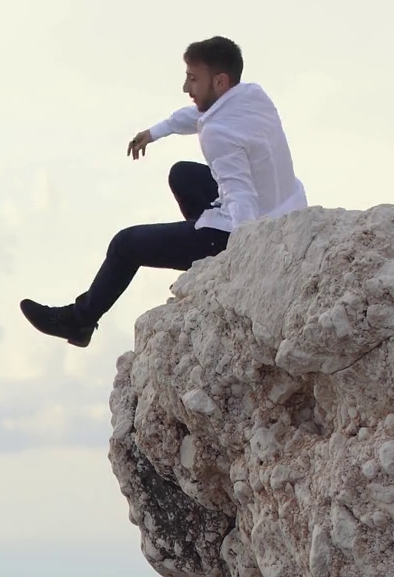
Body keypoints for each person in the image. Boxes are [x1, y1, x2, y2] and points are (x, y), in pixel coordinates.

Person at [20, 36, 306, 347]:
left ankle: (79, 322)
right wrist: (154, 132)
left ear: (220, 81)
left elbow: (241, 197)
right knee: (182, 174)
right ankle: (200, 239)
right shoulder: (252, 96)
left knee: (125, 245)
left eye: (193, 79)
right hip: (285, 207)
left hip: (247, 230)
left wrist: (241, 263)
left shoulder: (218, 133)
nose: (186, 87)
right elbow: (197, 115)